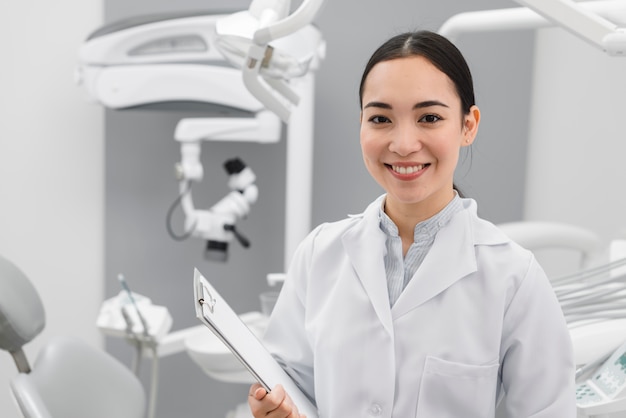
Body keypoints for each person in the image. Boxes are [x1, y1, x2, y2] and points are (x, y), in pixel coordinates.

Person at [248, 30, 575, 417]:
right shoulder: (319, 254)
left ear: (468, 125)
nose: (403, 144)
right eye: (381, 118)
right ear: (362, 125)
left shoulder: (514, 278)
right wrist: (276, 409)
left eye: (430, 118)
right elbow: (288, 384)